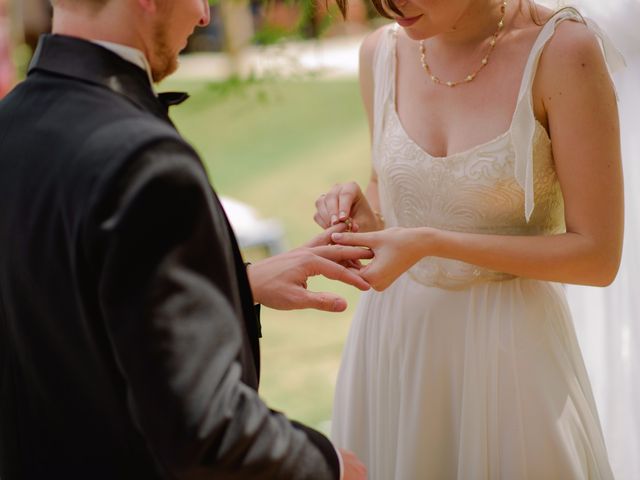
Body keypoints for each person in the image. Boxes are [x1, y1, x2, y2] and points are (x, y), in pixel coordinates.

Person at [0, 0, 370, 478]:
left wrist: (237, 284)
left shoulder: (10, 125)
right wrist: (331, 465)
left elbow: (59, 302)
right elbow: (203, 428)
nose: (203, 16)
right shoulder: (146, 163)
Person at [315, 0, 625, 478]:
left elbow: (596, 257)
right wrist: (364, 216)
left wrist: (432, 242)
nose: (389, 5)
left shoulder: (562, 51)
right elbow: (389, 198)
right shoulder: (379, 53)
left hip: (509, 357)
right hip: (395, 345)